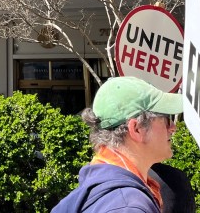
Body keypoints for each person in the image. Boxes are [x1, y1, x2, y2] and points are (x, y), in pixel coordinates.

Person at [52, 76, 184, 213]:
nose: (173, 127)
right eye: (166, 119)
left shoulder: (101, 185)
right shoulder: (127, 206)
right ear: (136, 129)